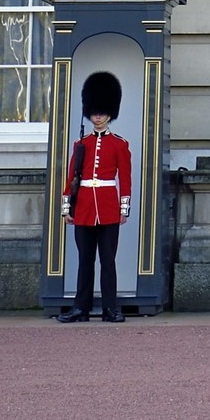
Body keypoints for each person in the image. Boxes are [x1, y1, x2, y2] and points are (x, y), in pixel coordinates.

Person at [58, 70, 133, 323]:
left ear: (110, 113)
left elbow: (126, 178)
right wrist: (67, 207)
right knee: (84, 262)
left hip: (109, 208)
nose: (98, 116)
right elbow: (71, 178)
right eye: (94, 112)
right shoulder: (81, 144)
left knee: (108, 262)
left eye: (101, 112)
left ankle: (110, 308)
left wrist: (124, 209)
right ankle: (81, 308)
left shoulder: (120, 144)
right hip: (85, 209)